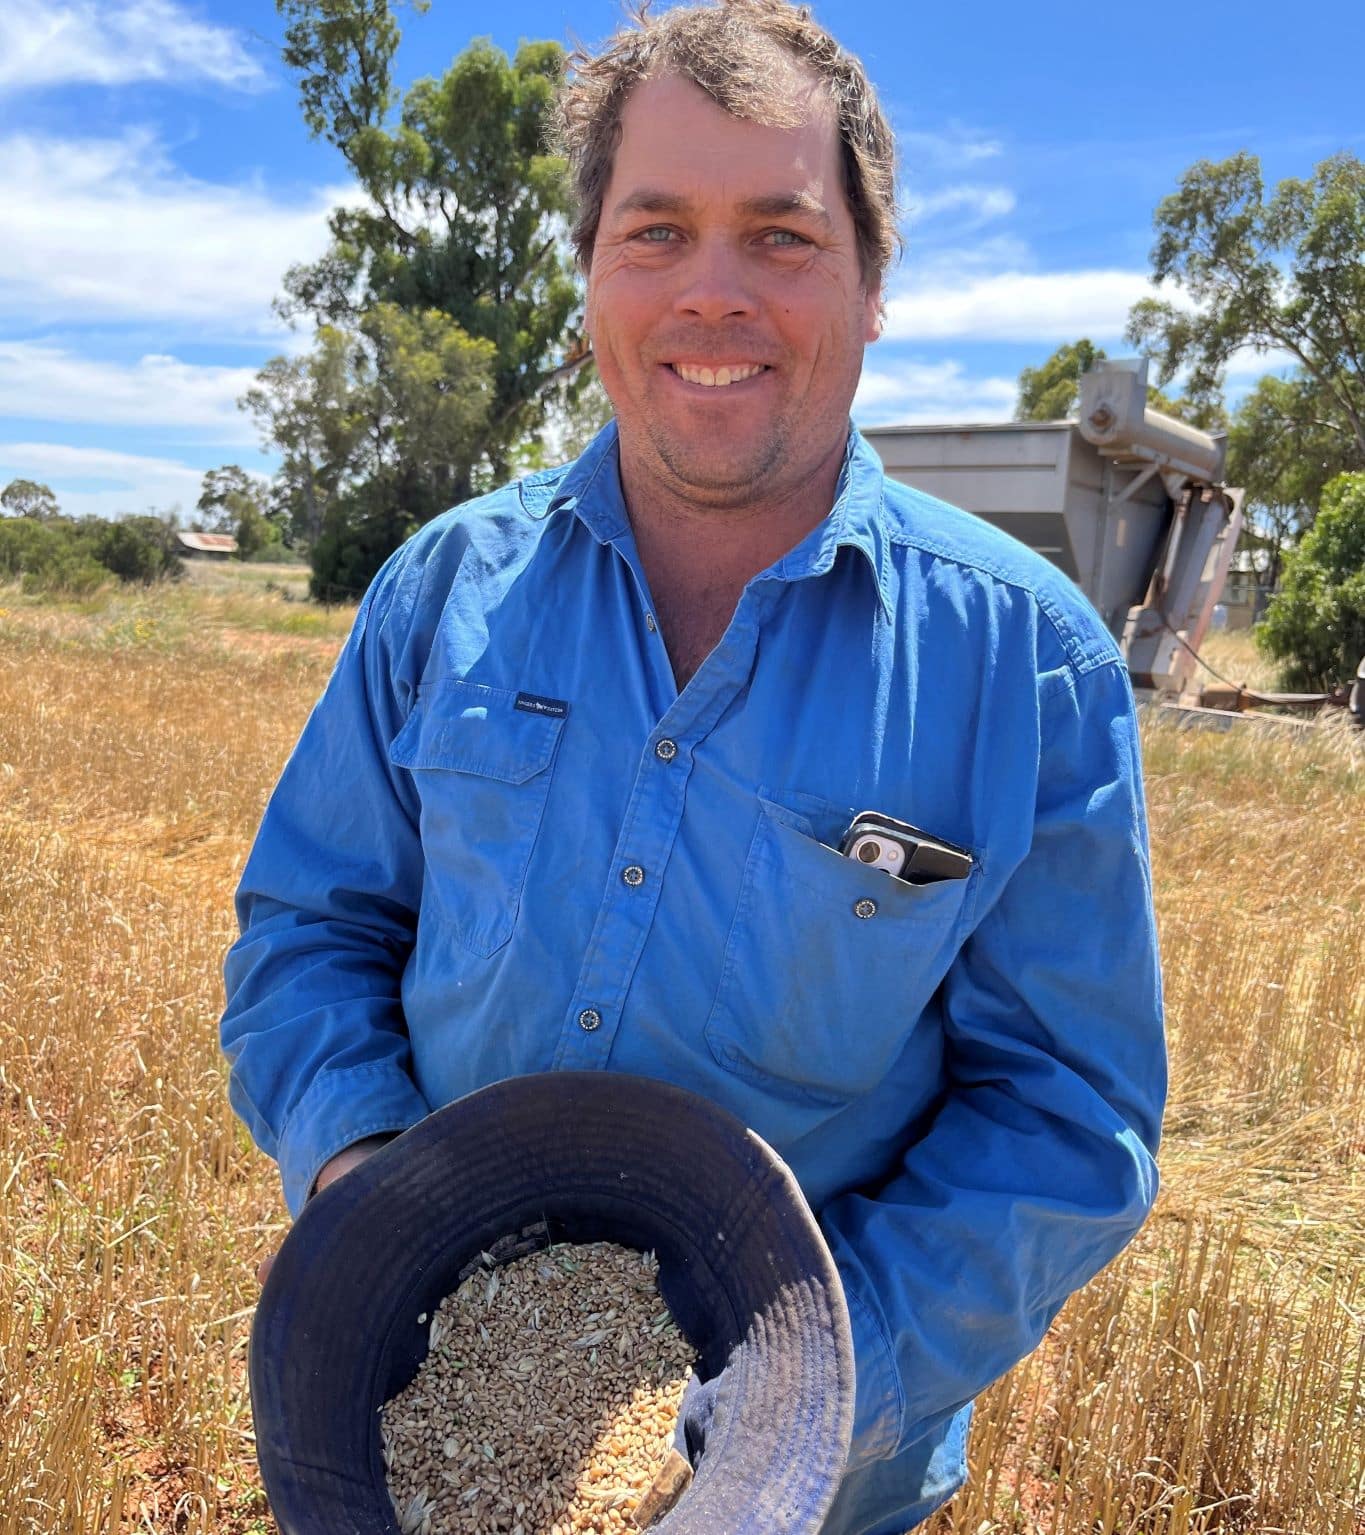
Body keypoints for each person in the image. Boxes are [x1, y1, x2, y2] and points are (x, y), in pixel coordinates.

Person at [220, 2, 1165, 1530]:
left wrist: (800, 1386)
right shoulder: (441, 591)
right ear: (591, 272)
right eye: (654, 231)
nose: (711, 293)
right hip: (431, 1449)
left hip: (827, 1485)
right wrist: (370, 1192)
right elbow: (310, 933)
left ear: (870, 286)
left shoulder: (1020, 658)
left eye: (781, 237)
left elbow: (1066, 1112)